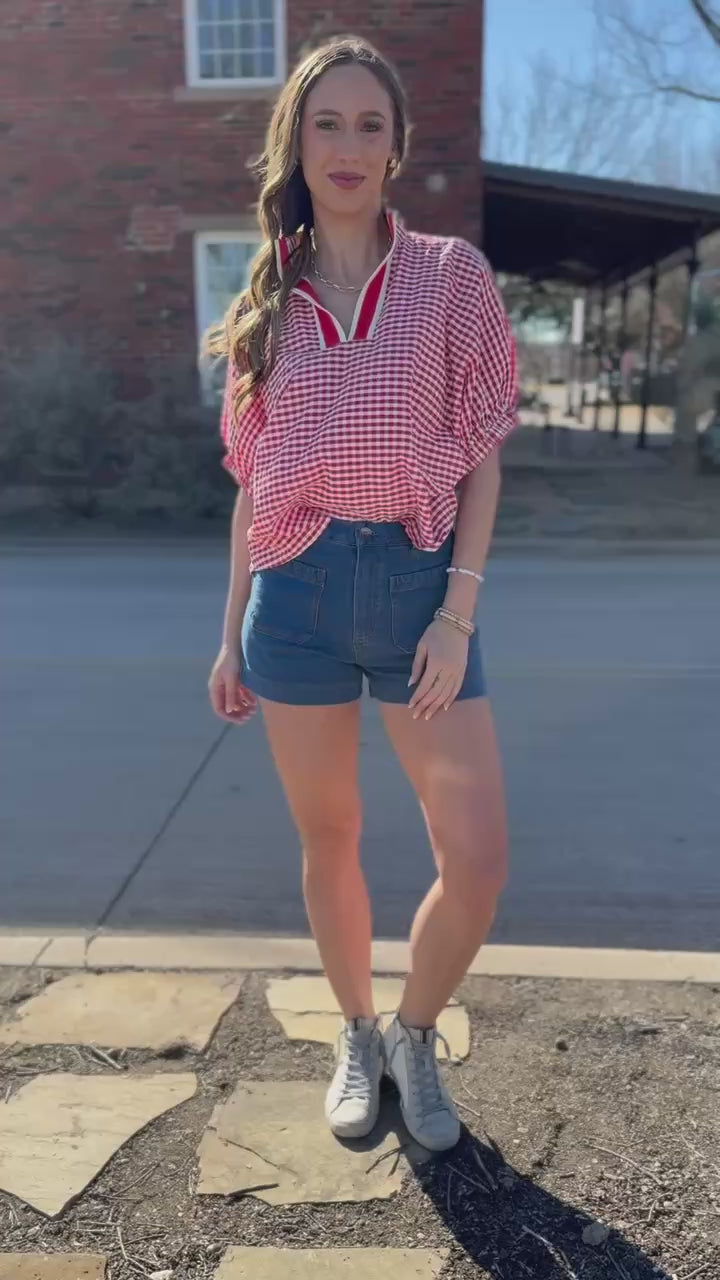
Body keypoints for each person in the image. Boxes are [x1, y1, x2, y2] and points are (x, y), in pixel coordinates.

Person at [207, 35, 518, 1154]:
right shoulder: (268, 303)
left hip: (418, 585)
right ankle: (354, 1031)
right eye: (325, 124)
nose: (347, 146)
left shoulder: (448, 277)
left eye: (369, 126)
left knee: (476, 855)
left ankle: (414, 1032)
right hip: (290, 598)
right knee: (328, 830)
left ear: (396, 150)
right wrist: (229, 633)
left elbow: (482, 452)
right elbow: (254, 485)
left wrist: (458, 609)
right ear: (297, 142)